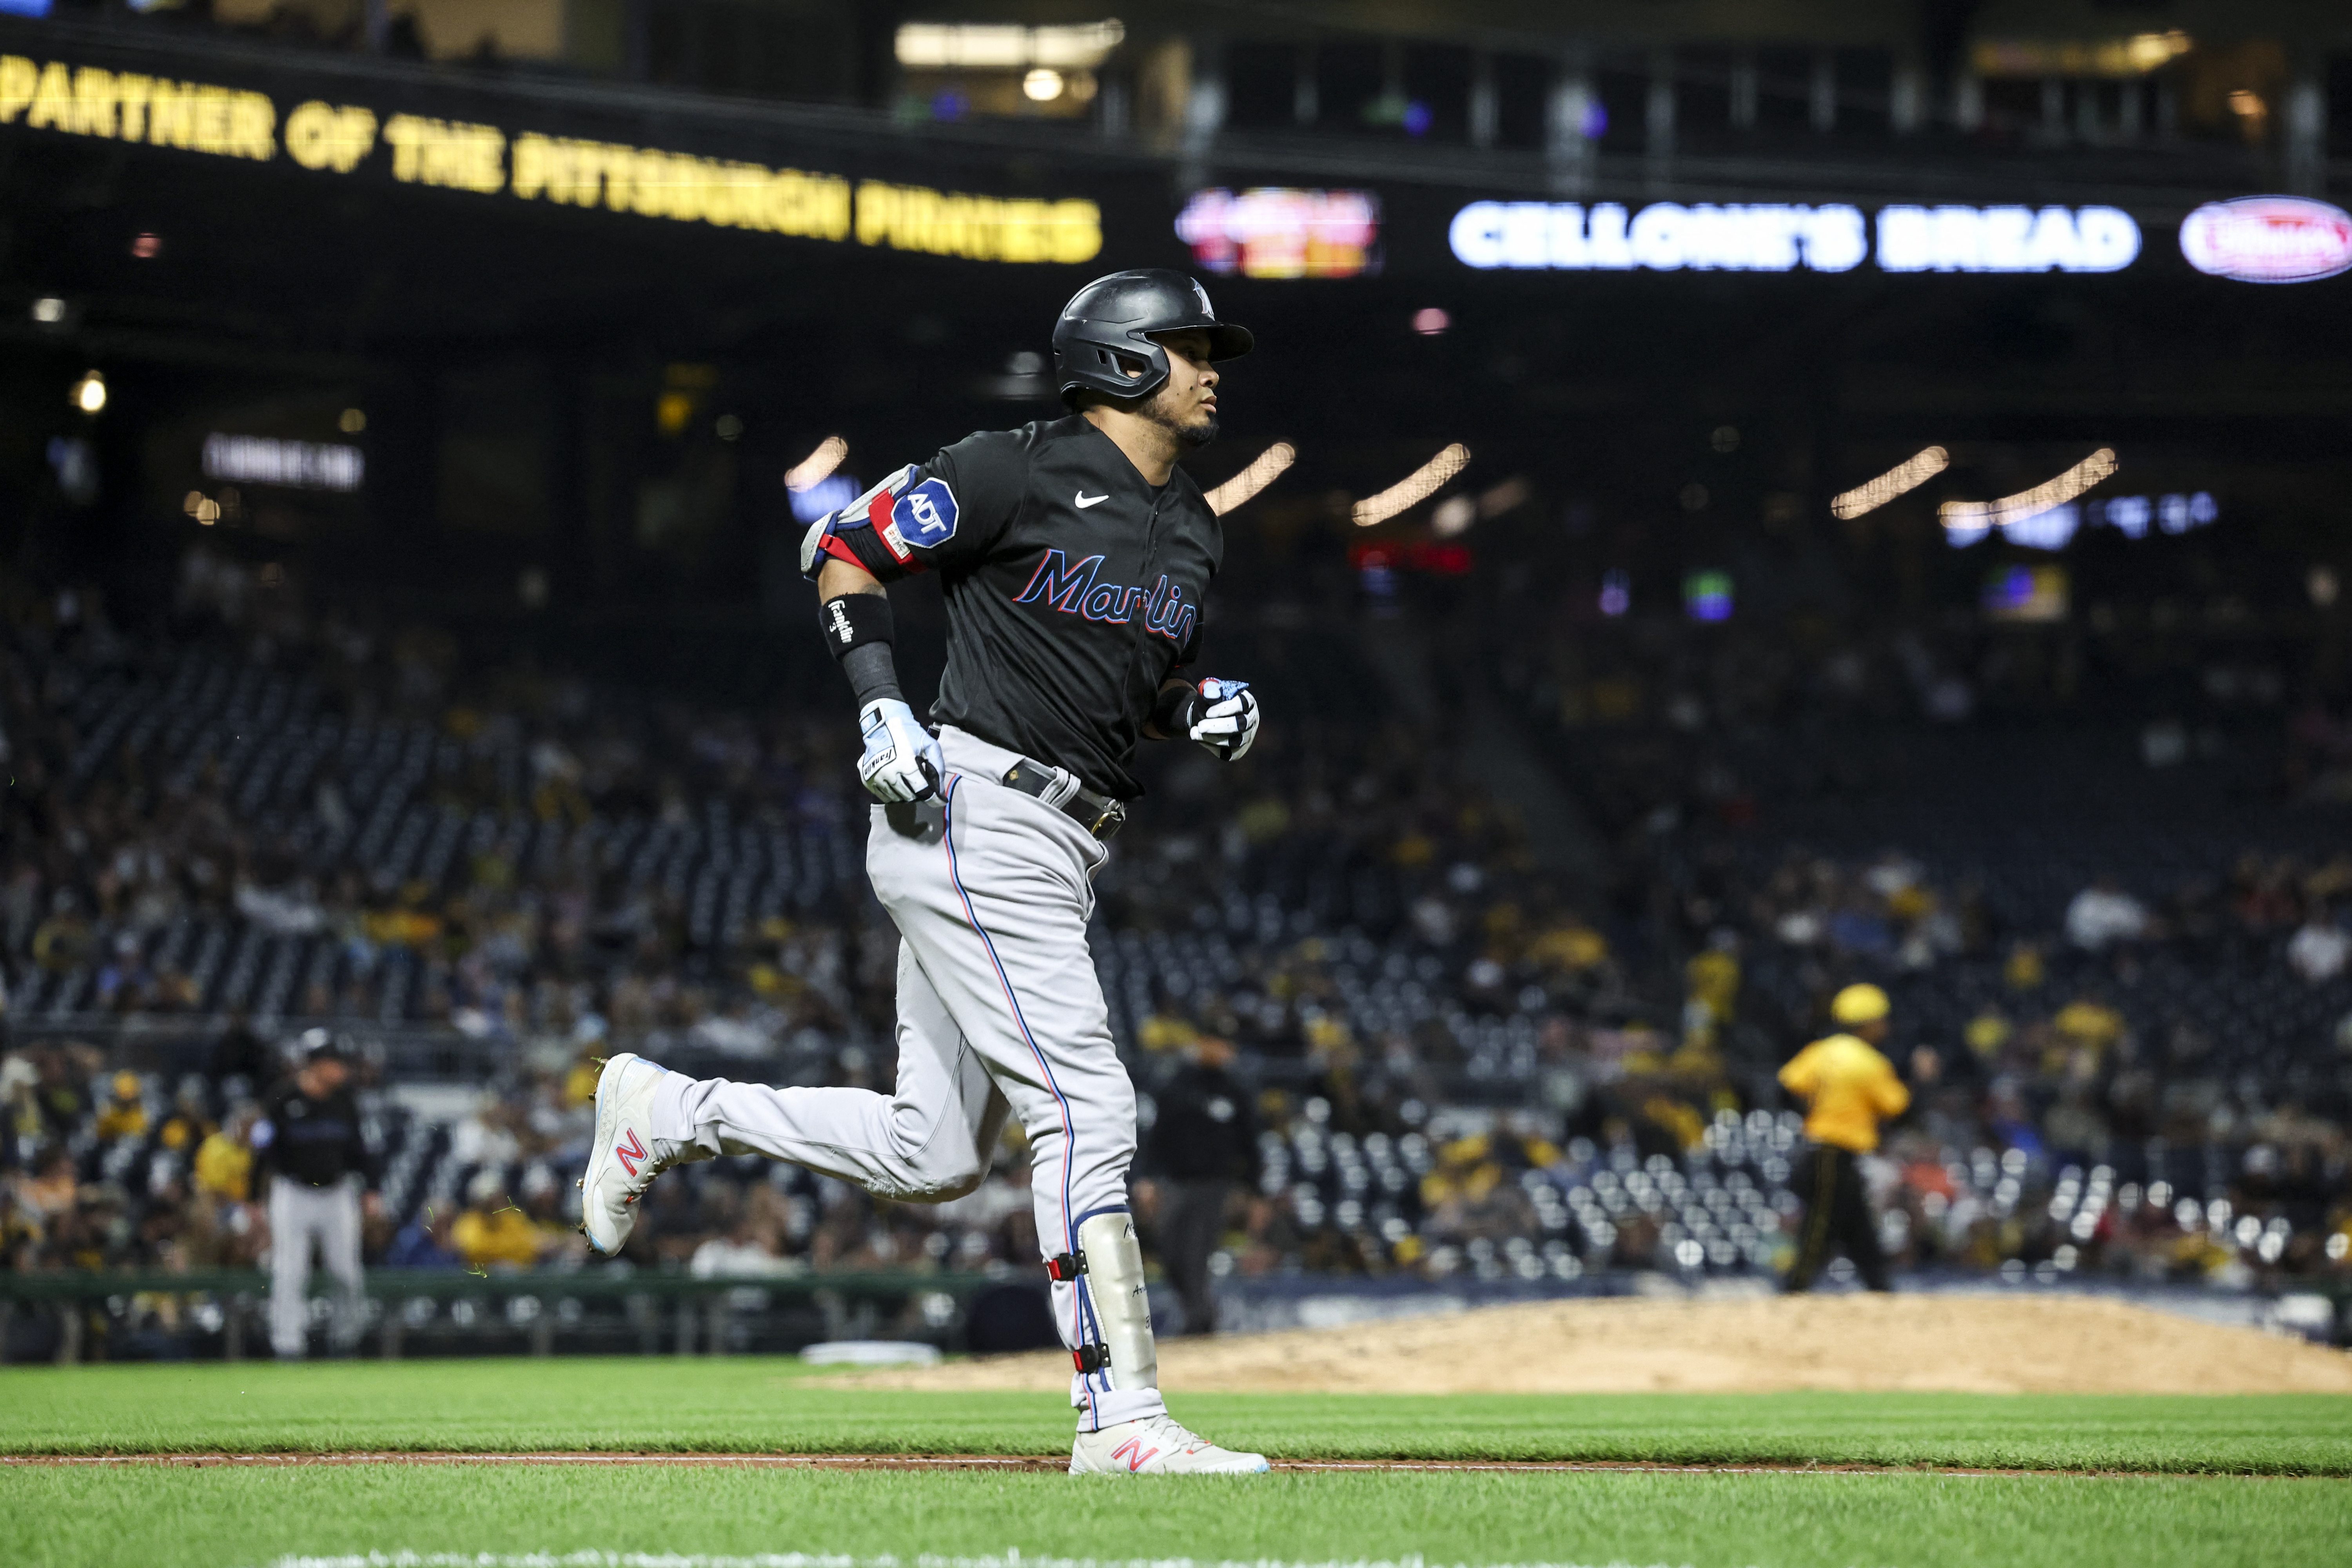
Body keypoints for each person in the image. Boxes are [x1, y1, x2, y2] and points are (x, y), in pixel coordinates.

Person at [578, 270, 1269, 1475]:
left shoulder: (1194, 523)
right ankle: (1120, 1421)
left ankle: (670, 1110)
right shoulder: (1010, 466)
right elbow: (840, 549)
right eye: (1188, 346)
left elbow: (1132, 684)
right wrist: (879, 710)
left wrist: (1192, 704)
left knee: (932, 1153)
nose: (1213, 368)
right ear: (1117, 359)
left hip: (1064, 837)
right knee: (1087, 1108)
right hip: (970, 808)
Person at [1778, 983, 1910, 1293]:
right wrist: (1922, 1080)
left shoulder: (1820, 1051)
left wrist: (1812, 1116)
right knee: (1819, 1224)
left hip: (1821, 1148)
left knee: (1857, 1226)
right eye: (1881, 1020)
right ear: (1868, 1023)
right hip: (1834, 1152)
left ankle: (1879, 1287)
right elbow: (1899, 1109)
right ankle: (1794, 1288)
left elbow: (1787, 1089)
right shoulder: (1871, 1062)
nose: (1886, 1027)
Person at [254, 1030, 377, 1357]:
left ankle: (347, 1341)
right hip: (293, 1192)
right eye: (335, 1062)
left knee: (346, 1271)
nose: (342, 1069)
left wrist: (372, 1190)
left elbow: (360, 1150)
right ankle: (288, 1345)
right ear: (315, 1064)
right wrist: (254, 1199)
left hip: (338, 1193)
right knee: (290, 1270)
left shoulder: (344, 1101)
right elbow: (263, 1152)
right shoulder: (282, 1098)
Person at [1146, 1036, 1259, 1335]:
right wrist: (1147, 1178)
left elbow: (1250, 1143)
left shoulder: (1234, 1090)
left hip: (1216, 1185)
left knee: (1196, 1251)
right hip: (1177, 1183)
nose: (1222, 1050)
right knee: (1171, 1251)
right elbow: (1157, 1136)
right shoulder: (1178, 1086)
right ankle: (1198, 1313)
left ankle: (1200, 1321)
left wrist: (1252, 1189)